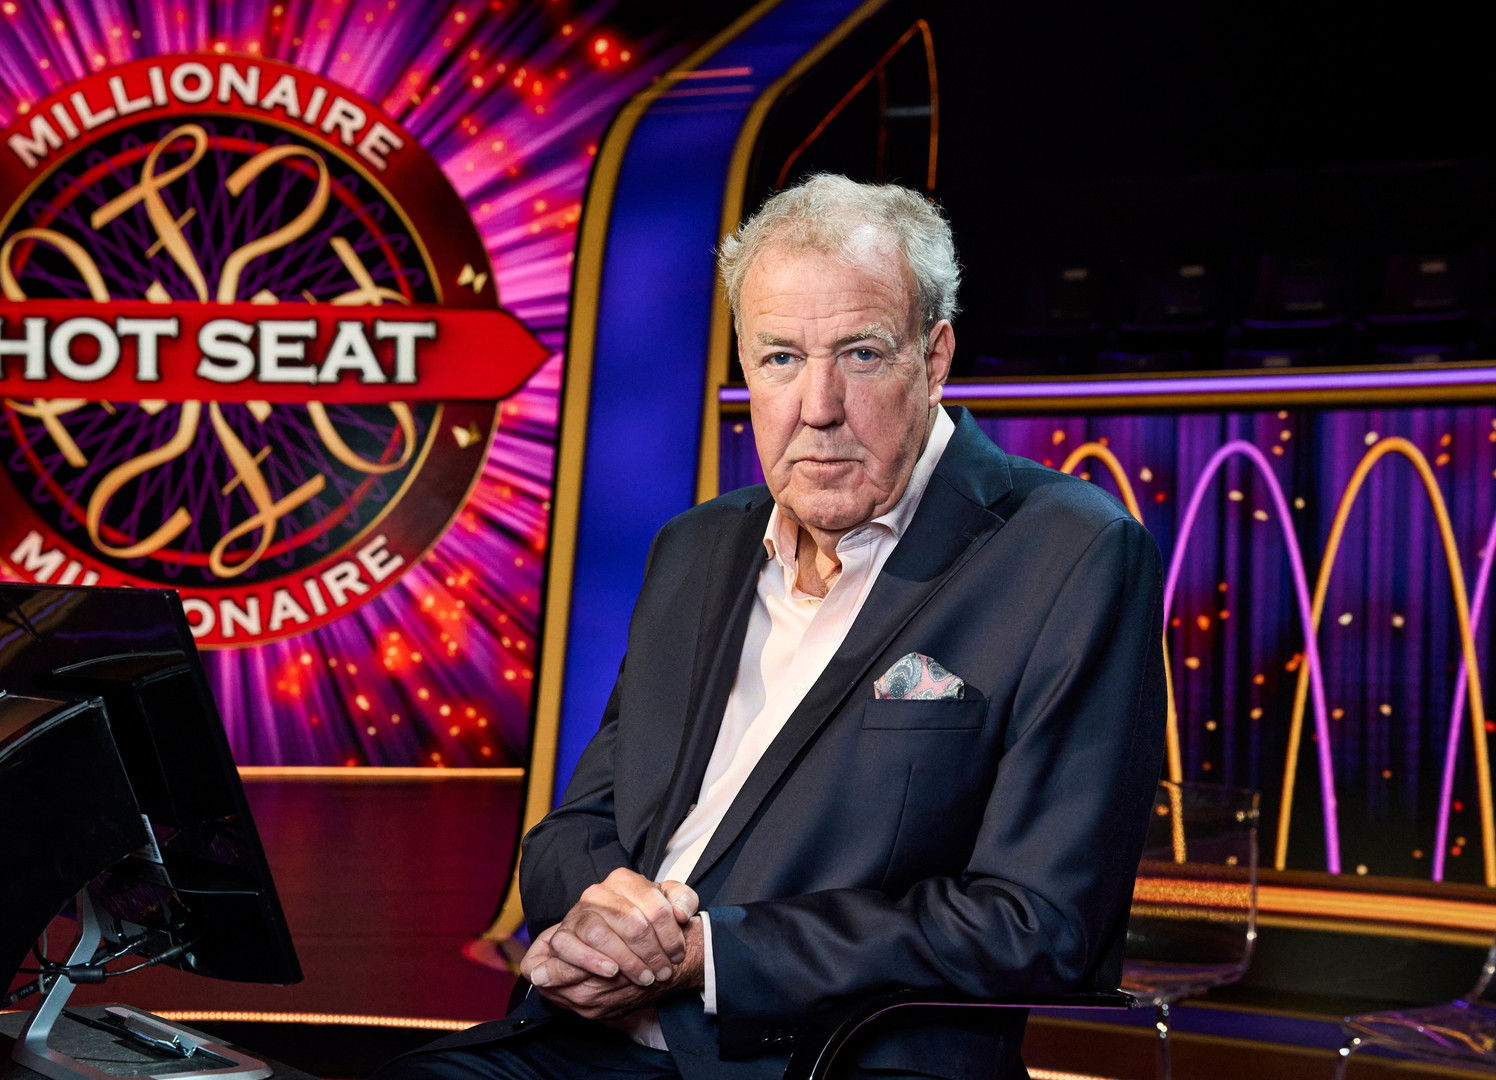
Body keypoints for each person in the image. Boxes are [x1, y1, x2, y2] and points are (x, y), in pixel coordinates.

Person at [379, 176, 1167, 1080]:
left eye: (862, 354)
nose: (817, 406)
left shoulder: (1070, 553)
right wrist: (611, 921)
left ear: (935, 357)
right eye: (782, 358)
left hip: (824, 1063)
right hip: (589, 1040)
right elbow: (573, 832)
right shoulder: (695, 548)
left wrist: (713, 954)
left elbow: (1040, 924)